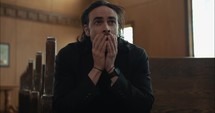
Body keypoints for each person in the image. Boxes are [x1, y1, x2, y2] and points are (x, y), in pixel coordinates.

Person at [53, 0, 154, 113]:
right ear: (87, 30)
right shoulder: (68, 55)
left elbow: (145, 105)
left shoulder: (136, 54)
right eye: (98, 22)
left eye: (111, 22)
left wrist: (111, 69)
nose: (106, 28)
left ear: (118, 28)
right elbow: (61, 107)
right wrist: (97, 68)